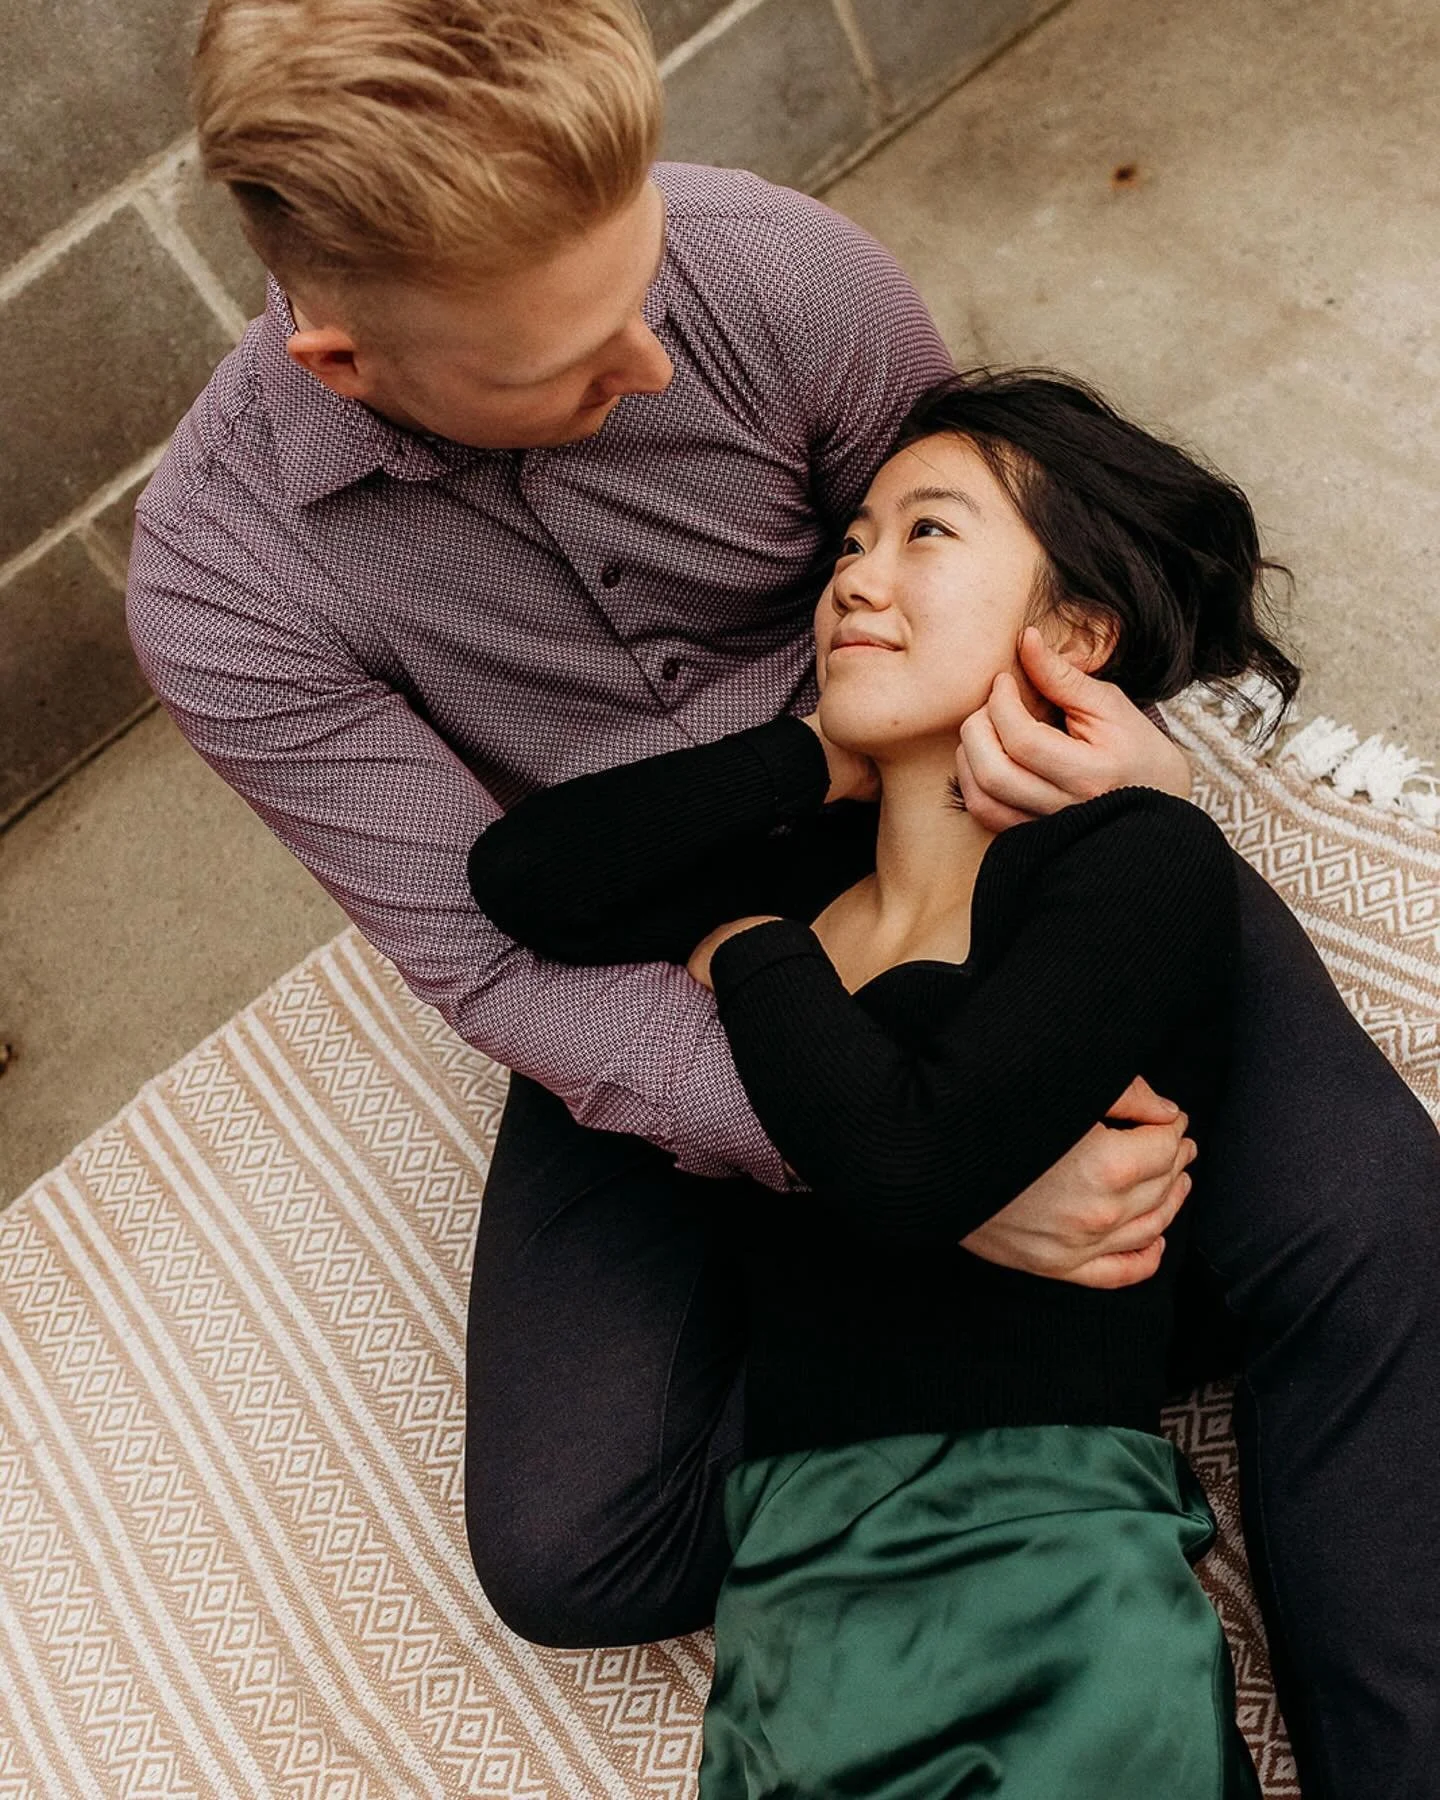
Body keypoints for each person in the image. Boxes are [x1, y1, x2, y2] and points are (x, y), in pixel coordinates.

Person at [125, 2, 1440, 1792]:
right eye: (578, 359)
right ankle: (1005, 1350)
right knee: (570, 1547)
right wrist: (905, 1158)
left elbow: (974, 551)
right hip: (666, 919)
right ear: (347, 363)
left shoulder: (784, 276)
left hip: (966, 812)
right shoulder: (225, 588)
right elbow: (496, 948)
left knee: (1373, 1225)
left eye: (645, 279)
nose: (659, 364)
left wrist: (1119, 784)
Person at [466, 365, 1272, 1796]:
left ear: (1073, 632)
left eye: (928, 535)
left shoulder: (1129, 860)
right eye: (850, 544)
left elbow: (908, 1169)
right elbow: (523, 879)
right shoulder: (797, 880)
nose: (857, 579)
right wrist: (810, 751)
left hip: (1051, 1592)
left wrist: (746, 949)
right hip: (795, 1628)